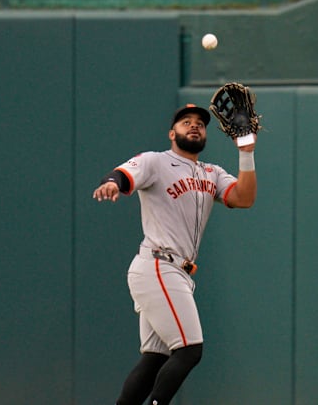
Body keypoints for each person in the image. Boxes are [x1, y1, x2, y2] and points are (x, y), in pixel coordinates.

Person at [92, 103, 258, 405]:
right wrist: (111, 183)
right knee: (190, 350)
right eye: (185, 122)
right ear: (172, 133)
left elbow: (244, 198)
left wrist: (246, 151)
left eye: (200, 123)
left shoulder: (212, 173)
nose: (194, 126)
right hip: (158, 265)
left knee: (155, 358)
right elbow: (123, 174)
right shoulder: (155, 161)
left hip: (174, 271)